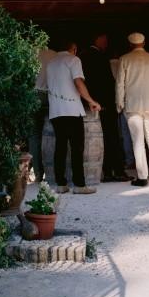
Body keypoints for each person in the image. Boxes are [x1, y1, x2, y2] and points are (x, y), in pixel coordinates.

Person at [45, 40, 100, 195]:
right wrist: (91, 101)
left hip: (56, 111)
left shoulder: (50, 63)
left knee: (60, 148)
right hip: (72, 110)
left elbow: (45, 86)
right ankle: (80, 185)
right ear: (74, 49)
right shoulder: (73, 60)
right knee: (77, 148)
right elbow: (78, 83)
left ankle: (61, 185)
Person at [115, 32, 149, 187]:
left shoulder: (124, 59)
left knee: (137, 141)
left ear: (130, 44)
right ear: (144, 43)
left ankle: (143, 177)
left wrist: (119, 104)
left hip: (132, 105)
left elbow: (119, 84)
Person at [81, 34, 124, 182]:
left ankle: (104, 170)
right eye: (104, 40)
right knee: (111, 136)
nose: (106, 43)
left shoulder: (83, 56)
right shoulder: (99, 57)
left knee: (99, 137)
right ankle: (115, 170)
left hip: (91, 103)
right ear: (96, 39)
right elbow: (107, 82)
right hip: (104, 103)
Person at [29, 45, 56, 182]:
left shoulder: (30, 52)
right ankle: (53, 171)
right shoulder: (55, 55)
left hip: (34, 95)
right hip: (52, 96)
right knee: (54, 133)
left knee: (34, 135)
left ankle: (38, 174)